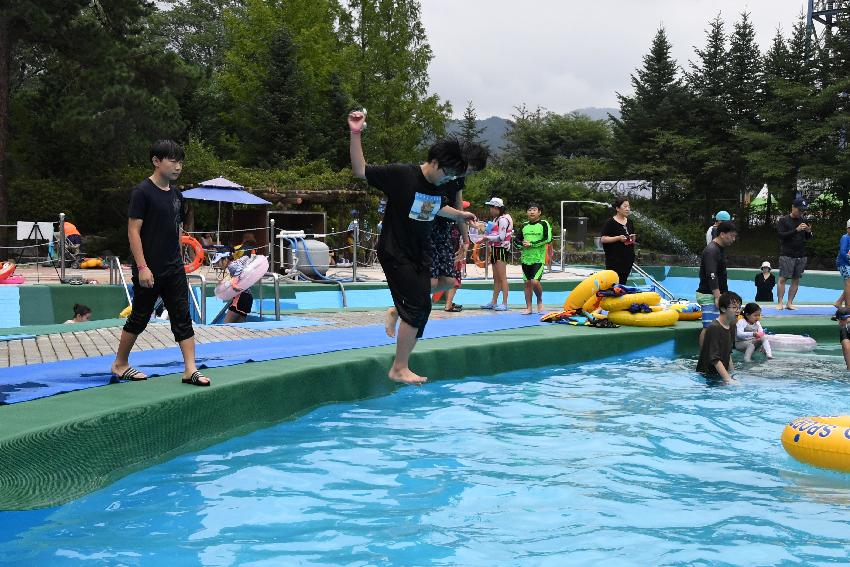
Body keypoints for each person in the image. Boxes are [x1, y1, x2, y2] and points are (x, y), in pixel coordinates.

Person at [348, 110, 477, 385]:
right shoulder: (401, 175)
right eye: (448, 174)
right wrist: (356, 132)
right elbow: (360, 171)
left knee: (424, 307)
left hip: (420, 251)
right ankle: (398, 367)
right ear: (434, 162)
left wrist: (458, 215)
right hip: (396, 250)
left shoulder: (437, 185)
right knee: (418, 303)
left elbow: (434, 207)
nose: (448, 181)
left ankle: (400, 346)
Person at [110, 140, 210, 386]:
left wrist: (179, 262)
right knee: (140, 316)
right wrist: (142, 267)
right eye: (173, 161)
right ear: (156, 161)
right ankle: (120, 364)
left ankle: (190, 369)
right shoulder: (142, 192)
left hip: (173, 268)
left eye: (180, 162)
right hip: (149, 268)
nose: (178, 166)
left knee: (182, 316)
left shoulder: (177, 195)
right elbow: (133, 231)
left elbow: (176, 229)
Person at [429, 143, 490, 312]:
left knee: (449, 281)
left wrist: (465, 239)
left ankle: (403, 305)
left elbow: (458, 207)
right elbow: (431, 206)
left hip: (443, 229)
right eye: (470, 169)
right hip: (427, 228)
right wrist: (459, 215)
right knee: (432, 280)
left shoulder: (458, 179)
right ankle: (404, 303)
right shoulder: (440, 174)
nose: (468, 173)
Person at [696, 221, 737, 343]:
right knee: (709, 328)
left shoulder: (719, 249)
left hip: (718, 294)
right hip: (709, 294)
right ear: (723, 234)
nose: (733, 239)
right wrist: (717, 296)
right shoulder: (712, 250)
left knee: (732, 321)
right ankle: (704, 358)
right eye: (732, 235)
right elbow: (711, 274)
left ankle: (724, 352)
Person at [696, 291, 742, 383]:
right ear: (723, 309)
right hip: (706, 376)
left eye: (739, 307)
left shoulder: (732, 325)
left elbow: (728, 353)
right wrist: (728, 380)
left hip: (719, 374)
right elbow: (715, 359)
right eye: (734, 307)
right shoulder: (714, 327)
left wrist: (733, 374)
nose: (738, 310)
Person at [776, 197, 812, 310]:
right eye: (799, 209)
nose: (801, 212)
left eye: (803, 210)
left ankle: (790, 303)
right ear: (793, 207)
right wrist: (796, 230)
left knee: (796, 279)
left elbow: (808, 238)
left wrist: (808, 231)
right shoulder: (783, 220)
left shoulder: (803, 220)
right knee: (783, 278)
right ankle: (780, 302)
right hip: (787, 254)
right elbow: (781, 235)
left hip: (801, 254)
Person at [518, 202, 552, 314]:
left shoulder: (544, 224)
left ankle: (539, 300)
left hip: (538, 258)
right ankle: (528, 307)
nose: (532, 212)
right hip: (525, 259)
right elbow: (516, 241)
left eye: (534, 210)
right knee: (527, 283)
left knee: (535, 282)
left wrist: (532, 244)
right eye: (529, 210)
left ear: (539, 212)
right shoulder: (524, 225)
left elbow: (547, 239)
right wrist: (522, 244)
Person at [480, 197, 513, 311]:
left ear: (496, 208)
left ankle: (504, 303)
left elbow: (501, 237)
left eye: (491, 207)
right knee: (496, 278)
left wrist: (486, 238)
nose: (490, 209)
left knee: (502, 277)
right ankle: (494, 302)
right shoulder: (495, 219)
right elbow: (487, 231)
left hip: (501, 250)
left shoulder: (503, 219)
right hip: (494, 249)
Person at [600, 197, 636, 284]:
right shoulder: (610, 222)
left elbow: (630, 241)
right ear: (617, 208)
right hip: (614, 261)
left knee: (622, 284)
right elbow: (603, 239)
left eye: (629, 207)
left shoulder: (630, 222)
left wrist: (632, 239)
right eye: (625, 206)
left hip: (627, 260)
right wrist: (618, 238)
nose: (628, 209)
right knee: (613, 285)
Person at [221, 253, 254, 324]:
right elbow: (246, 257)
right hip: (248, 298)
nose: (218, 265)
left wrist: (233, 284)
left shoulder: (231, 266)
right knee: (240, 329)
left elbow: (240, 272)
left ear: (226, 259)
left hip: (241, 298)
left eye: (218, 262)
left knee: (226, 326)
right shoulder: (238, 263)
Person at [835, 219, 850, 308]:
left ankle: (839, 302)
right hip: (844, 263)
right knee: (848, 284)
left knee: (849, 284)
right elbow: (843, 252)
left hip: (848, 263)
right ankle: (848, 307)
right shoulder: (845, 237)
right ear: (847, 229)